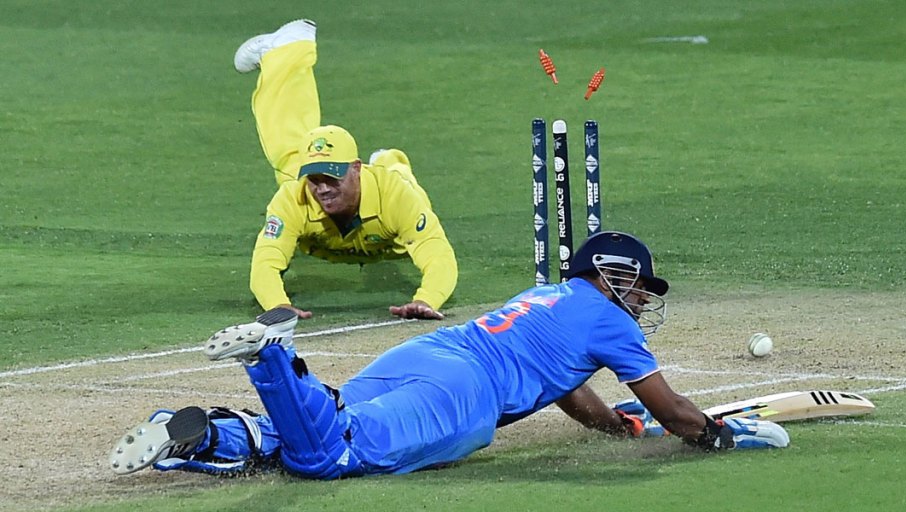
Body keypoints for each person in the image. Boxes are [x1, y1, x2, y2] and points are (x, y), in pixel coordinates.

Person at [108, 231, 789, 479]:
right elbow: (671, 411)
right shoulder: (611, 320)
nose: (643, 299)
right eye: (640, 286)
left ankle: (208, 435)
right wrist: (716, 435)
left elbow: (562, 384)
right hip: (464, 394)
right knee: (333, 458)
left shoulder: (547, 296)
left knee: (315, 432)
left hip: (429, 353)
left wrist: (612, 426)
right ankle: (271, 361)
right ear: (613, 276)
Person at [235, 19, 457, 321]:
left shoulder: (394, 196)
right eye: (315, 178)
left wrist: (426, 299)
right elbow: (266, 262)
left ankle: (389, 159)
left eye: (331, 176)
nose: (322, 188)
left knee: (400, 178)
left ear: (356, 168)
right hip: (350, 220)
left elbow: (437, 255)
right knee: (289, 153)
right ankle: (287, 49)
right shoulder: (296, 196)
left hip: (390, 230)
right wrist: (277, 304)